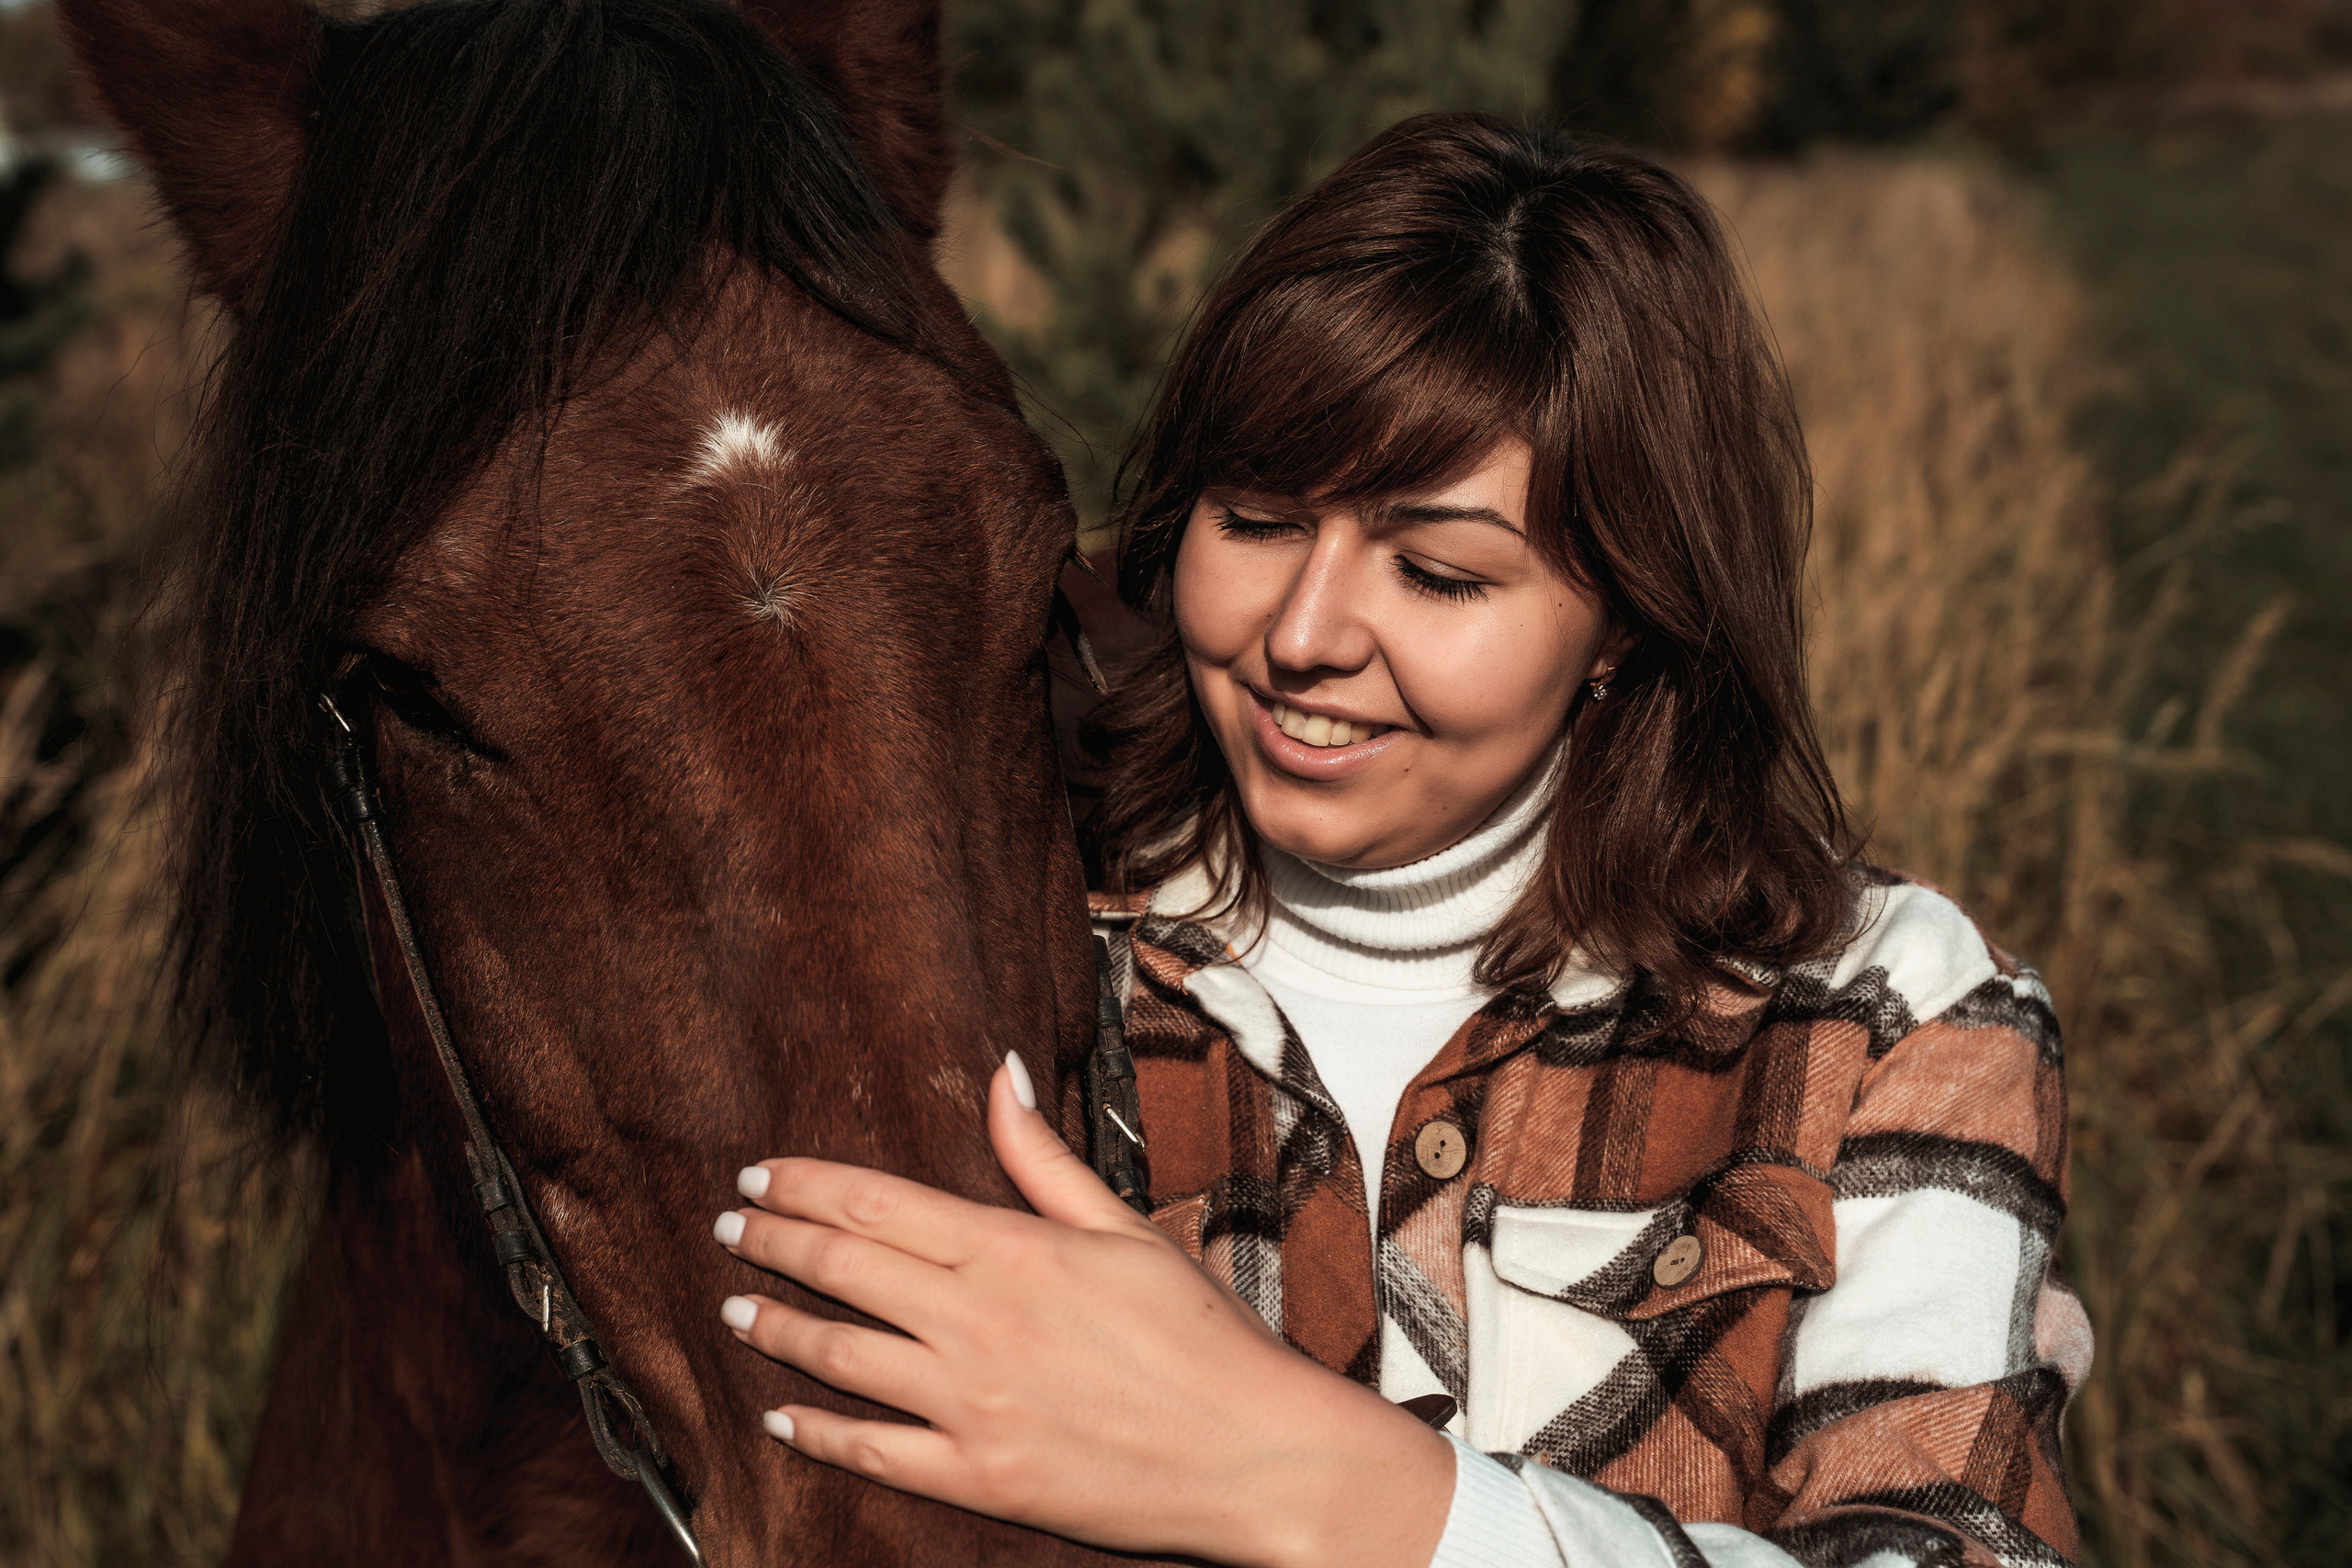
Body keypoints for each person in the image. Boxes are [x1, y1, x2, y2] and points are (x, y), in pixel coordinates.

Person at [705, 114, 2093, 1567]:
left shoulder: (1884, 1020)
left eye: (1436, 573)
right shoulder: (1015, 938)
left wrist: (1321, 1484)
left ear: (1627, 610)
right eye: (1252, 521)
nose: (1302, 639)